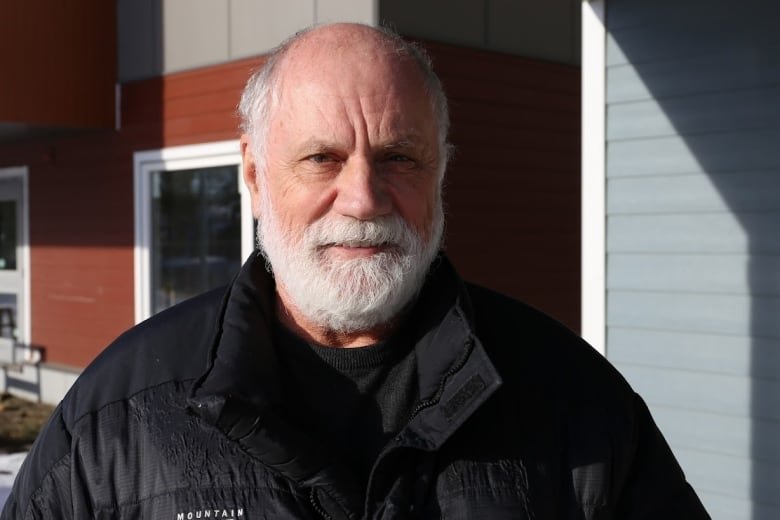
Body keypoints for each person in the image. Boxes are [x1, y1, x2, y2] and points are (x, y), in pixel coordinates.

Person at [1, 23, 709, 519]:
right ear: (254, 174)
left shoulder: (573, 401)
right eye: (322, 159)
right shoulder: (117, 417)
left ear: (440, 174)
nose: (365, 198)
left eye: (399, 157)